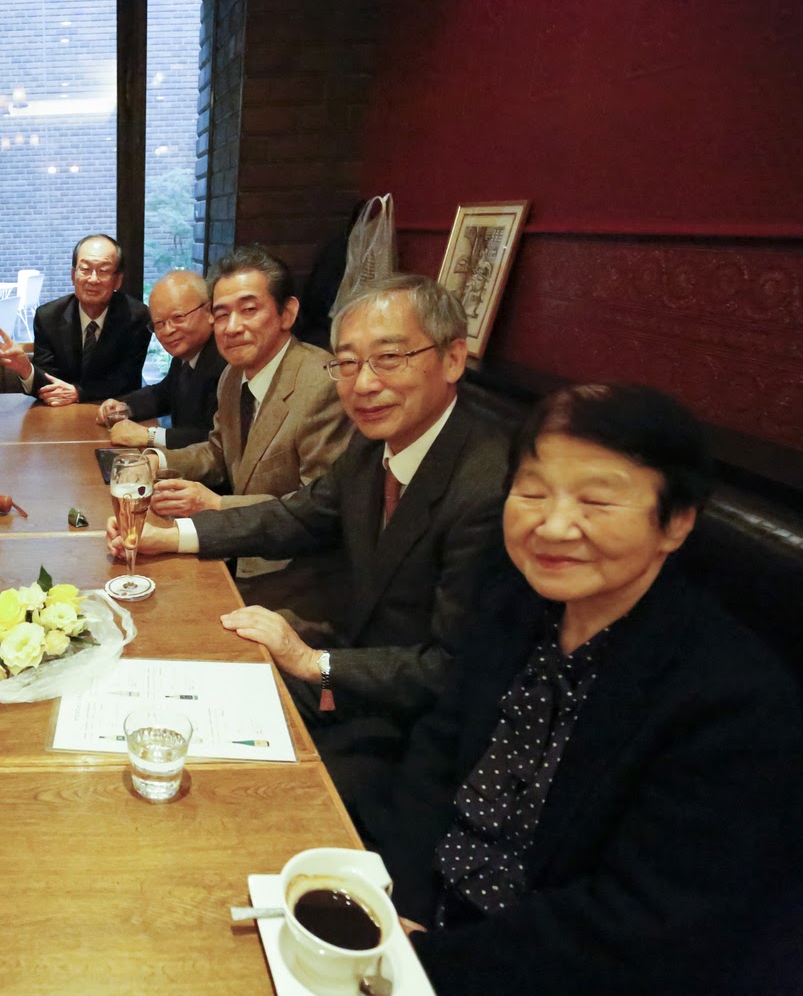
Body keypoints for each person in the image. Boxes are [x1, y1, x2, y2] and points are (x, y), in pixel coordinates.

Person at [363, 384, 803, 996]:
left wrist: (427, 966)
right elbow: (440, 742)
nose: (552, 526)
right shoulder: (517, 598)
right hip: (431, 925)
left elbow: (642, 923)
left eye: (597, 500)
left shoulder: (732, 697)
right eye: (532, 491)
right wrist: (396, 902)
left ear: (676, 521)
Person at [113, 273, 510, 804]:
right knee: (170, 684)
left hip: (420, 738)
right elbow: (299, 516)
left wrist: (311, 662)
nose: (363, 383)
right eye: (348, 362)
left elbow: (451, 669)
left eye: (389, 358)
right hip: (350, 678)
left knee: (233, 787)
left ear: (453, 358)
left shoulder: (489, 487)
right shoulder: (375, 444)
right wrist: (172, 536)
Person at [143, 246, 352, 611]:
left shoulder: (322, 386)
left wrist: (215, 503)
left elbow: (315, 510)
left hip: (297, 575)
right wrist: (154, 462)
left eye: (249, 309)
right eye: (222, 314)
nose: (232, 326)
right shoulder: (232, 375)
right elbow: (218, 450)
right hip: (238, 550)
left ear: (287, 313)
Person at [0, 234, 152, 406]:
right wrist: (26, 369)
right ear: (73, 276)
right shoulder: (48, 317)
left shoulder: (136, 316)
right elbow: (48, 385)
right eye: (85, 269)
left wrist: (78, 393)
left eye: (103, 271)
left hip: (113, 412)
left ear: (118, 280)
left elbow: (127, 380)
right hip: (61, 416)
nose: (93, 279)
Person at [97, 268, 228, 448]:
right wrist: (124, 406)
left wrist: (151, 435)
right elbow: (164, 393)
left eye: (178, 317)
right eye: (159, 323)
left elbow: (217, 439)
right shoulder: (186, 353)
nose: (168, 330)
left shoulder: (226, 360)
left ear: (209, 311)